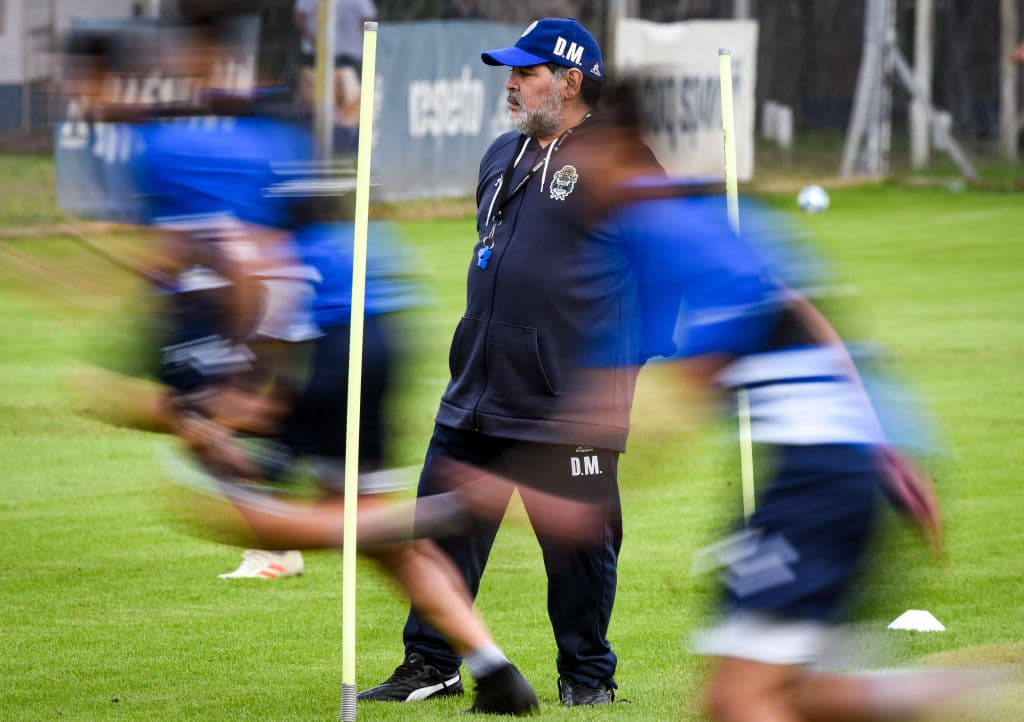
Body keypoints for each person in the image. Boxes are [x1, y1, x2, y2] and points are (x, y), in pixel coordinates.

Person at [565, 79, 998, 722]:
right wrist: (889, 443)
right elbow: (814, 318)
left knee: (742, 699)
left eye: (581, 154)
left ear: (614, 148)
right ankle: (972, 695)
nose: (572, 174)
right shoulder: (694, 210)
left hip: (817, 477)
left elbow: (688, 388)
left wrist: (550, 474)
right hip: (829, 469)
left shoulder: (663, 226)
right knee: (771, 695)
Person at [358, 17, 664, 708]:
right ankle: (431, 663)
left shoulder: (621, 157)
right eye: (511, 73)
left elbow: (666, 273)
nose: (512, 85)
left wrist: (618, 372)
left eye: (525, 74)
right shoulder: (502, 154)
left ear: (570, 81)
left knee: (578, 547)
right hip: (477, 384)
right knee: (440, 529)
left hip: (570, 401)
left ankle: (588, 676)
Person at [293, 0, 377, 131]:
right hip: (319, 57)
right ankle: (320, 135)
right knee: (316, 102)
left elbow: (368, 20)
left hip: (350, 55)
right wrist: (312, 40)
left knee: (353, 100)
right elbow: (299, 15)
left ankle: (355, 135)